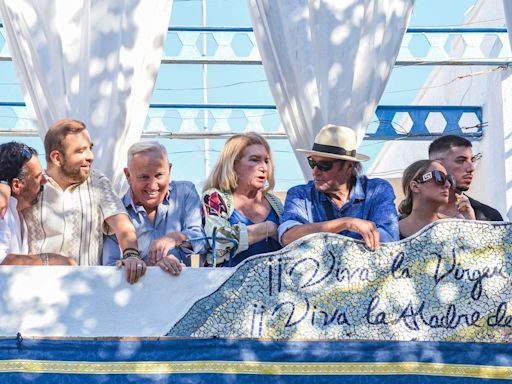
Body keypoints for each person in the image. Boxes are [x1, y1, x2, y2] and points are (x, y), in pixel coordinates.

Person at [5, 119, 146, 283]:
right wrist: (3, 187)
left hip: (86, 291)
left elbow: (122, 225)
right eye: (81, 151)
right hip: (37, 289)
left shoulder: (98, 181)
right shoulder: (33, 186)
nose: (91, 157)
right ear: (57, 158)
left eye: (90, 148)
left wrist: (131, 255)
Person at [279, 124, 399, 250]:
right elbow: (287, 237)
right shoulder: (300, 194)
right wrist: (346, 223)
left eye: (324, 165)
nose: (315, 171)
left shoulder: (377, 190)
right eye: (312, 163)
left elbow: (389, 240)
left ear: (349, 166)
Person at [103, 141, 207, 275]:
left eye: (159, 175)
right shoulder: (115, 212)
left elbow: (203, 241)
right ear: (128, 176)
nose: (152, 186)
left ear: (169, 170)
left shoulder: (185, 193)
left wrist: (175, 237)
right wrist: (151, 267)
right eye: (144, 177)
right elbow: (109, 268)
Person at [202, 132, 283, 267]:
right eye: (255, 160)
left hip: (273, 285)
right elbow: (220, 241)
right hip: (227, 285)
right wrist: (269, 228)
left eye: (266, 161)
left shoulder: (275, 202)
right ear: (233, 164)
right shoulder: (214, 198)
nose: (264, 168)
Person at [0, 142, 75, 265]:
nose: (45, 181)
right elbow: (2, 261)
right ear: (17, 185)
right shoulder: (3, 212)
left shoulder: (17, 213)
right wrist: (50, 260)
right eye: (38, 177)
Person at [428, 135, 503, 221]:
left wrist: (472, 226)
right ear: (437, 166)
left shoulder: (488, 216)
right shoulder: (412, 212)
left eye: (472, 160)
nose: (471, 168)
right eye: (461, 161)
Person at [398, 159, 474, 239]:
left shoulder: (454, 226)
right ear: (415, 186)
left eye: (449, 179)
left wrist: (471, 225)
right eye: (440, 177)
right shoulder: (391, 232)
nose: (448, 185)